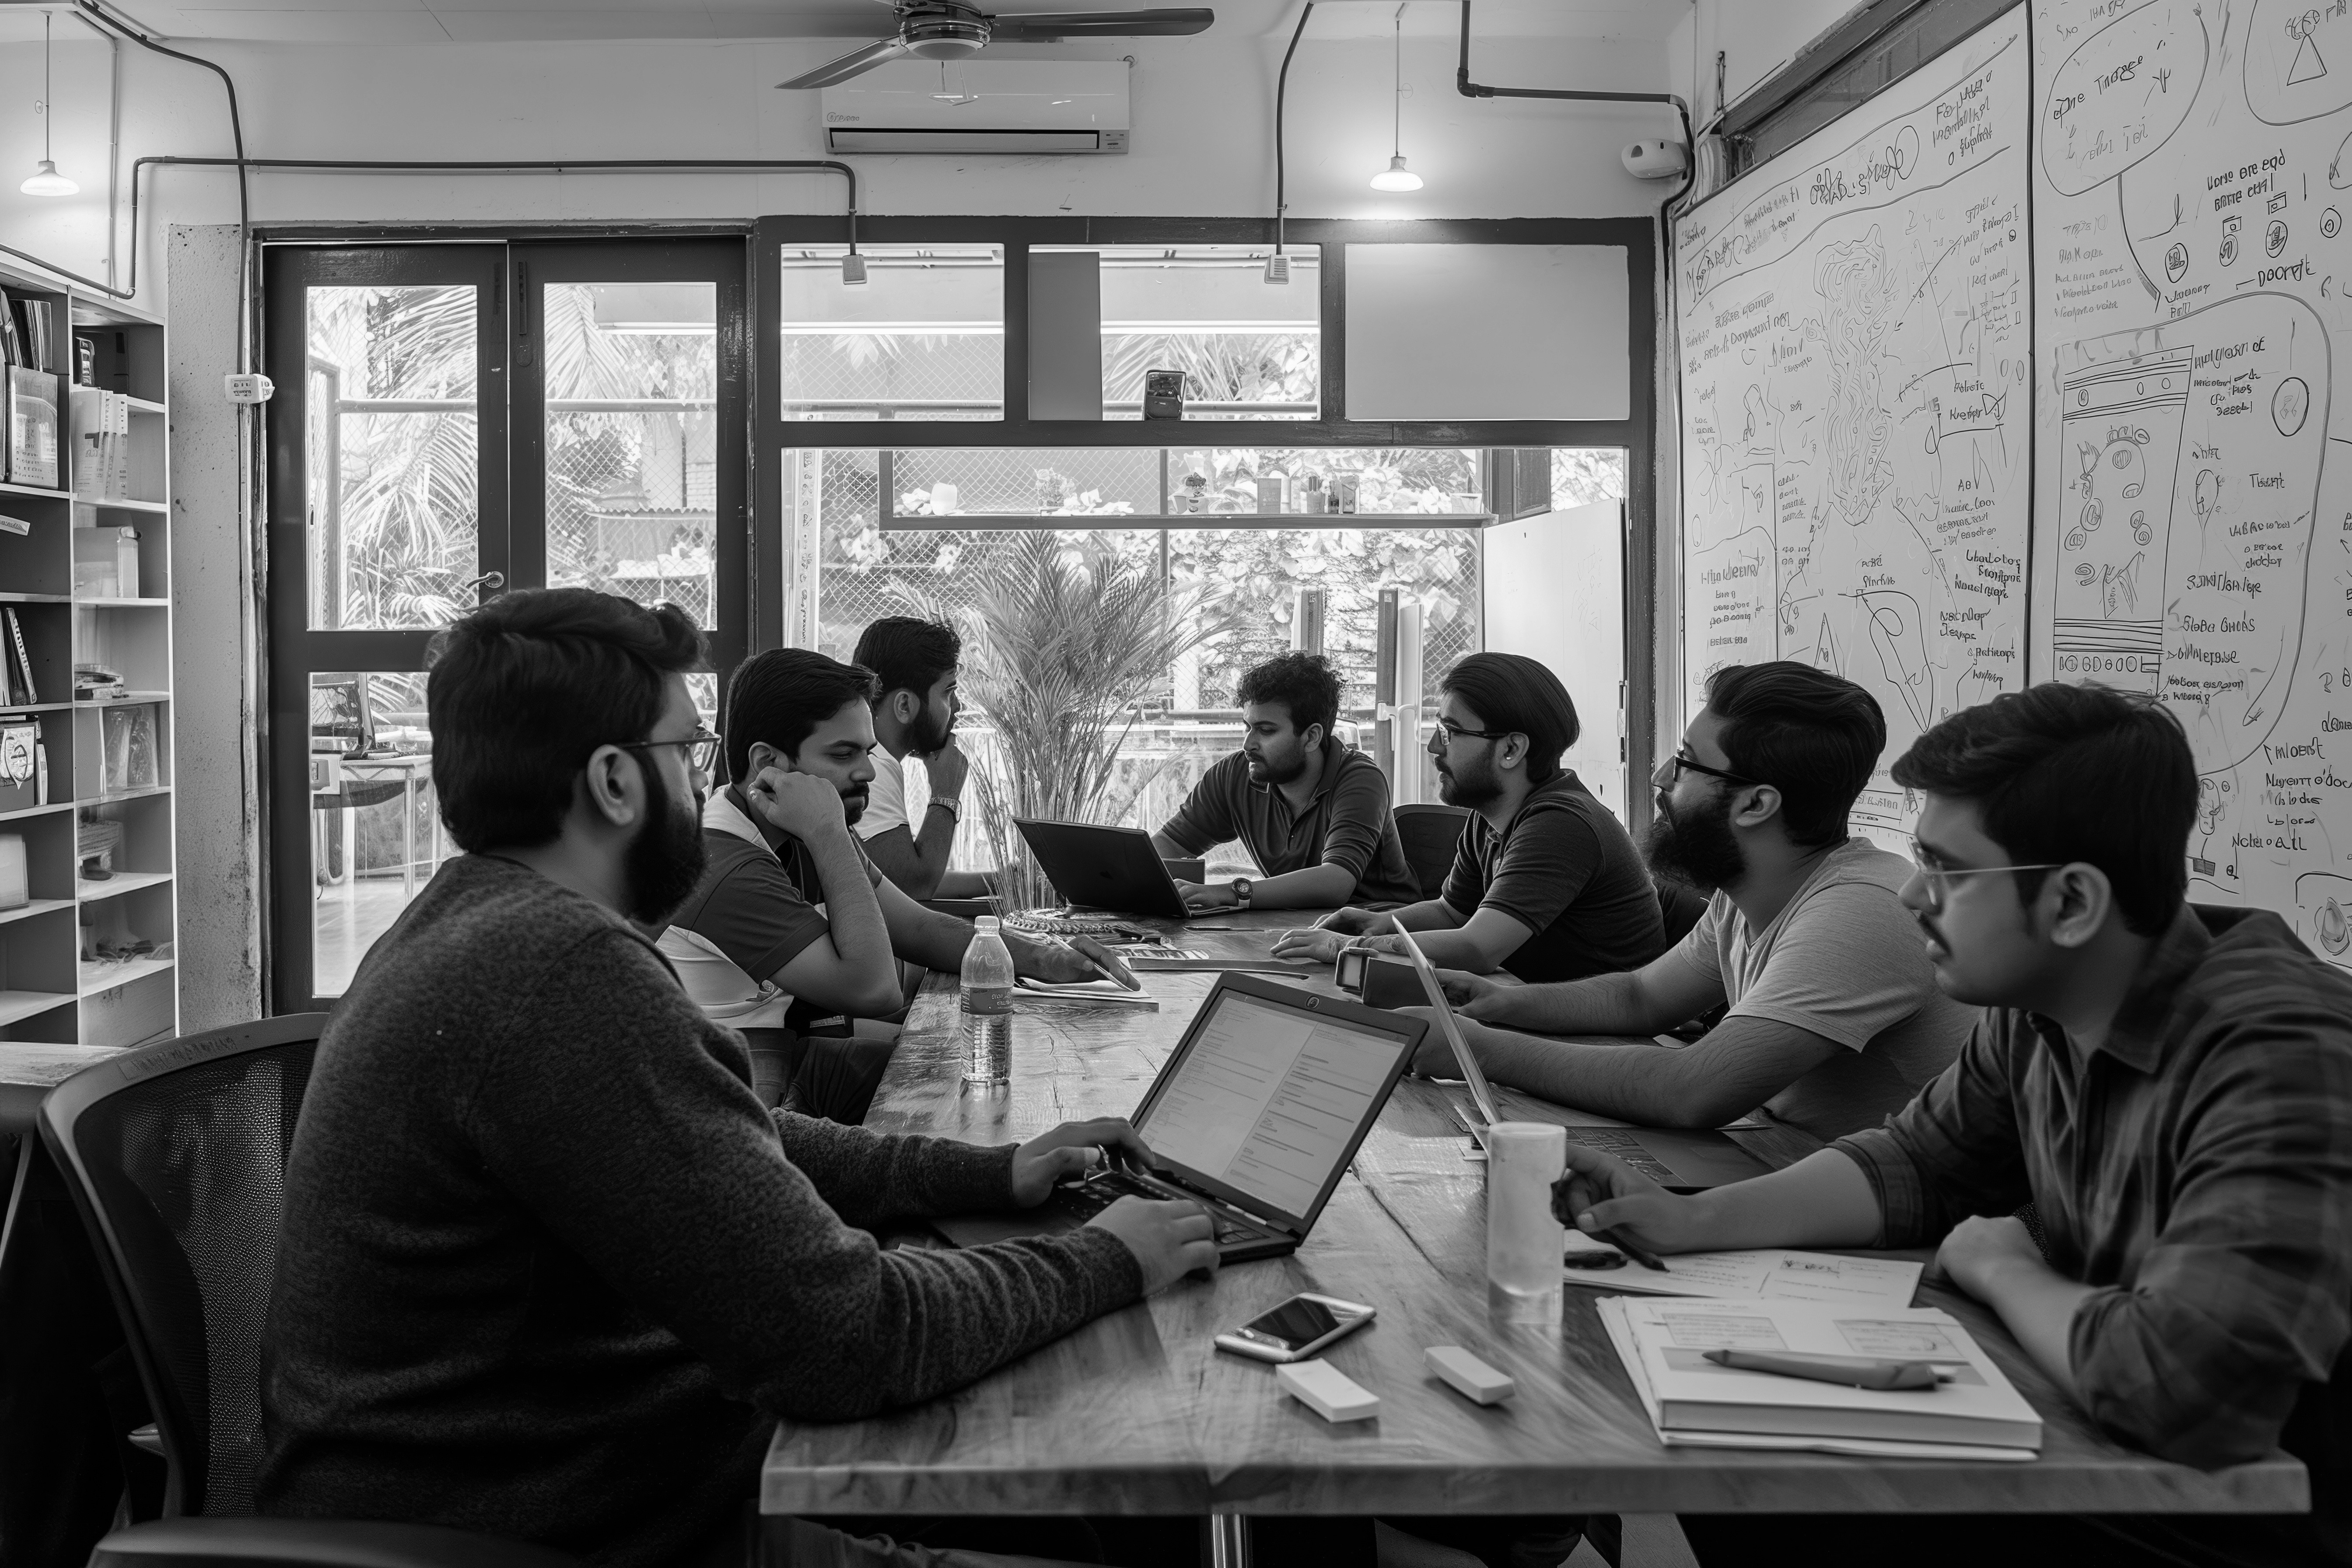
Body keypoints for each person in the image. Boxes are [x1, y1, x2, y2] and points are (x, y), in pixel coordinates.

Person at [256, 588, 1218, 1568]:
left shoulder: (471, 925)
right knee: (1121, 1485)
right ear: (615, 781)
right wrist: (1109, 1257)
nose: (703, 776)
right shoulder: (556, 972)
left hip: (586, 1473)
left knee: (1098, 1503)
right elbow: (848, 1337)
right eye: (686, 748)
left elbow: (731, 1136)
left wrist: (991, 1171)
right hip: (572, 1528)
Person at [1559, 682, 2352, 1568]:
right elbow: (1913, 1166)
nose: (1913, 898)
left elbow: (2181, 1389)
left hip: (2239, 1517)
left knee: (1778, 1487)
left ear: (2073, 902)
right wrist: (1688, 1217)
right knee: (1733, 1452)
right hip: (2097, 1438)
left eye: (1948, 869)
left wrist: (2003, 1266)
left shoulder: (2283, 1051)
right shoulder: (2041, 1004)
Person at [1397, 661, 1973, 1140]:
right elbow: (1641, 998)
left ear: (1756, 805)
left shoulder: (1862, 910)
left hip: (1910, 1226)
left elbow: (1692, 1092)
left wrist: (1475, 1049)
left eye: (1687, 761)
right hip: (1787, 1154)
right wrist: (1498, 1005)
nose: (1661, 776)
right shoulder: (1749, 890)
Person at [659, 648, 1130, 1120]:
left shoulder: (797, 824)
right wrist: (828, 833)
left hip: (784, 1056)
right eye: (843, 754)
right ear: (768, 762)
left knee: (978, 1081)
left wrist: (1047, 956)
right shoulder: (730, 861)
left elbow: (918, 928)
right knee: (954, 1108)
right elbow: (874, 989)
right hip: (731, 1093)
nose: (865, 771)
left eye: (867, 752)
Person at [1271, 652, 1663, 982]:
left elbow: (1477, 949)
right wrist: (1380, 922)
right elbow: (1451, 912)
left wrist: (1345, 946)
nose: (1433, 746)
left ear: (1511, 749)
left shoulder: (1560, 824)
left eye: (1450, 732)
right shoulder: (1492, 816)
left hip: (1610, 1037)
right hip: (1533, 1006)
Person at [1149, 651, 1419, 913]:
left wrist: (1231, 894)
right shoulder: (1235, 774)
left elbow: (1336, 882)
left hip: (1378, 930)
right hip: (1290, 924)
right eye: (1248, 727)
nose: (1248, 744)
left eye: (1266, 731)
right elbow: (1170, 845)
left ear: (1312, 737)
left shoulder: (1361, 781)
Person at [850, 616, 994, 902]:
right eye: (949, 691)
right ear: (904, 705)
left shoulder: (873, 757)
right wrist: (946, 794)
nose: (958, 706)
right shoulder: (871, 767)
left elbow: (896, 877)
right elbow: (914, 886)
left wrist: (1002, 881)